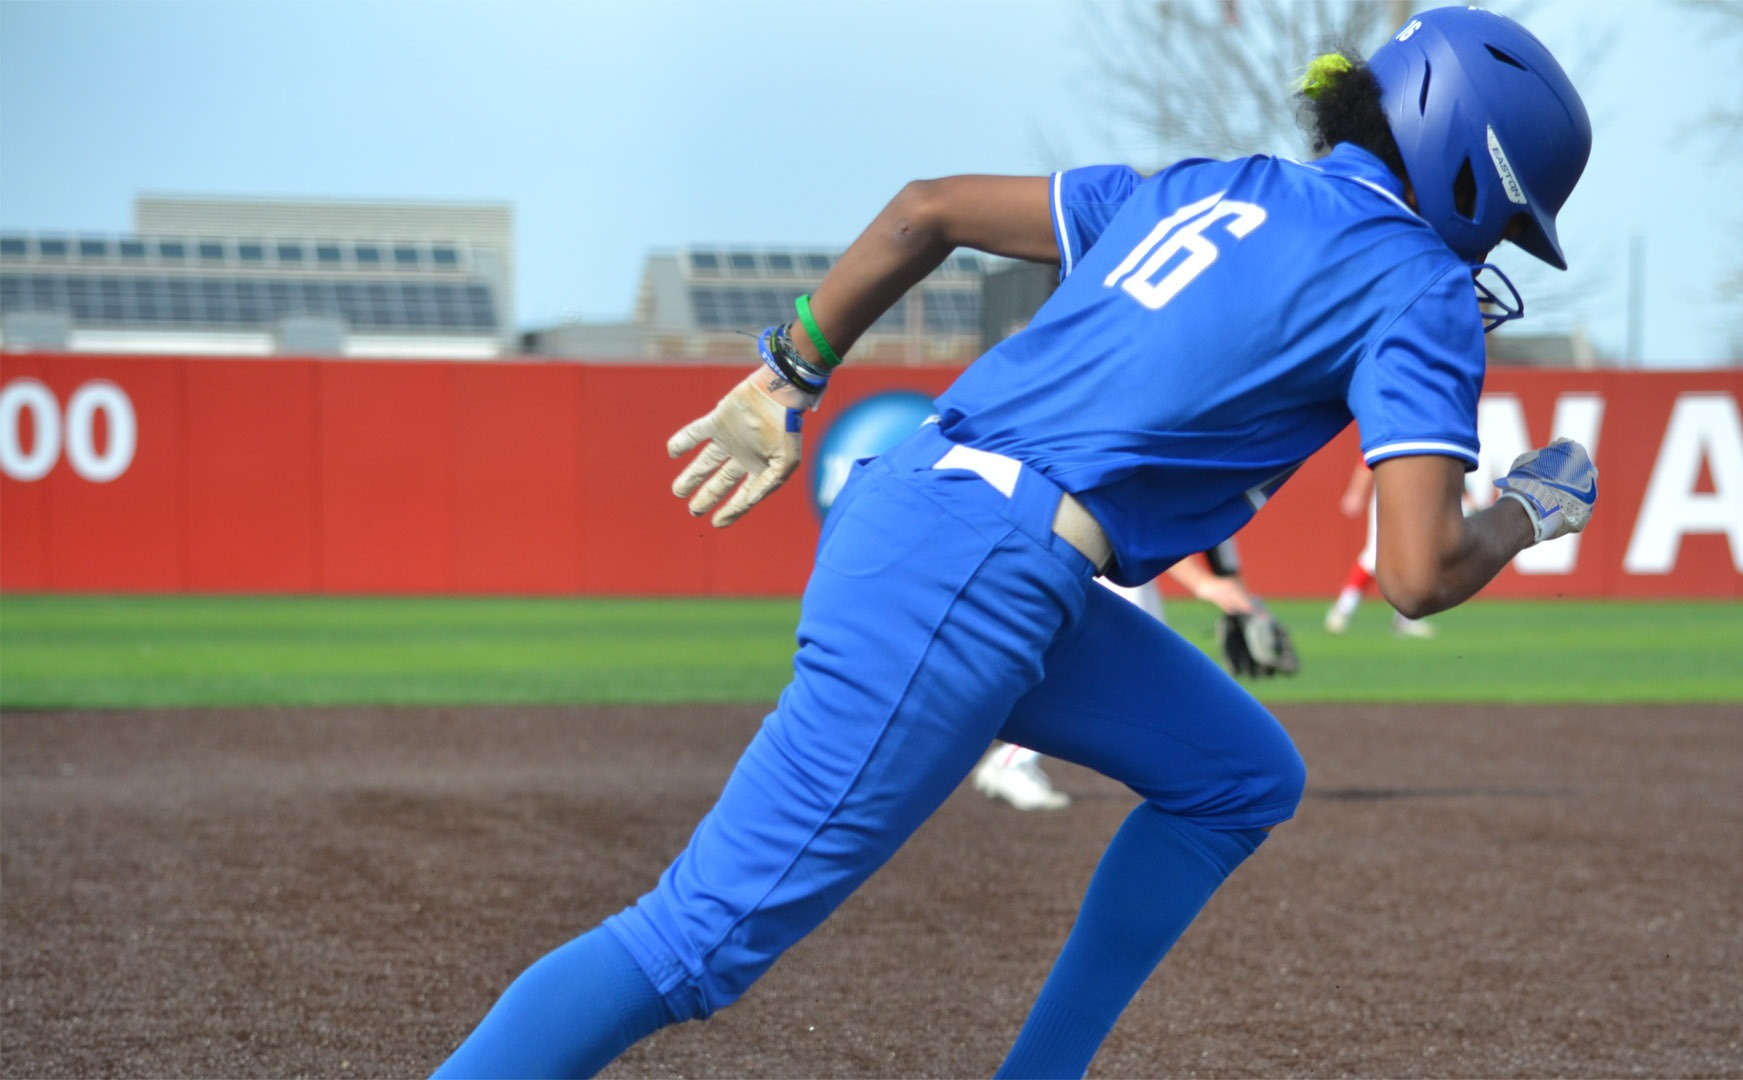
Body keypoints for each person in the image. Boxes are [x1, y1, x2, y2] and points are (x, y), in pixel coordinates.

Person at [432, 8, 1595, 1078]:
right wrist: (1529, 509)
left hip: (939, 518)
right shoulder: (1417, 287)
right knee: (696, 941)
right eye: (1506, 214)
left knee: (1240, 776)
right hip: (983, 568)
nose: (1495, 245)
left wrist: (790, 370)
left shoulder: (1210, 183)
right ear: (1466, 170)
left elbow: (925, 209)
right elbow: (1415, 572)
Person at [973, 538, 1299, 811]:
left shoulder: (1232, 472)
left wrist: (1240, 599)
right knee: (1112, 675)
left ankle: (1012, 759)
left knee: (1146, 673)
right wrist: (1202, 583)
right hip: (1103, 552)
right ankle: (1009, 761)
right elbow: (1154, 512)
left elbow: (1220, 547)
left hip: (1117, 559)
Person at [1324, 456, 1438, 637]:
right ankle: (1344, 608)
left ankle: (1405, 617)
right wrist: (1356, 492)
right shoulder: (1397, 428)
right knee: (1374, 554)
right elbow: (1367, 458)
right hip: (1389, 491)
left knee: (1418, 555)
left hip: (1419, 493)